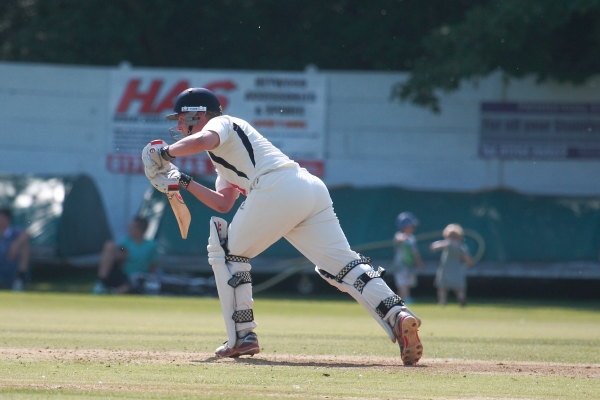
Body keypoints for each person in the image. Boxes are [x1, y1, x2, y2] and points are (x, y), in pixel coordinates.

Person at [141, 87, 424, 365]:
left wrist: (165, 153)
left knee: (227, 253)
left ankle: (242, 336)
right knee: (342, 264)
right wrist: (183, 180)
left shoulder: (221, 123)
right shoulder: (222, 160)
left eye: (180, 118)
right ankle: (397, 313)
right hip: (307, 189)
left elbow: (203, 139)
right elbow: (222, 204)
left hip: (277, 187)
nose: (178, 125)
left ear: (197, 115)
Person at [93, 216, 158, 294]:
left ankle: (113, 293)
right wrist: (122, 251)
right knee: (109, 245)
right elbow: (121, 249)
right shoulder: (126, 242)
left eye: (132, 227)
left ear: (140, 229)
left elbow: (153, 266)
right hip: (124, 275)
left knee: (135, 281)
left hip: (139, 276)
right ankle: (101, 282)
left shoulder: (150, 245)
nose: (129, 229)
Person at [430, 223, 474, 307]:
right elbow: (467, 259)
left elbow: (436, 246)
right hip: (457, 270)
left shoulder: (448, 243)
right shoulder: (461, 246)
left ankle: (442, 302)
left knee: (442, 288)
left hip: (445, 269)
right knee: (459, 288)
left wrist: (434, 247)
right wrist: (469, 264)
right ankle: (462, 300)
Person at [391, 212, 424, 304]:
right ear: (404, 226)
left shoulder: (412, 238)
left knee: (407, 283)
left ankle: (400, 300)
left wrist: (419, 263)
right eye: (410, 226)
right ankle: (406, 299)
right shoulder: (398, 235)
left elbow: (415, 253)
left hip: (409, 265)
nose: (412, 229)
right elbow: (399, 239)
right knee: (402, 284)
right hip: (400, 265)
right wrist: (404, 238)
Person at [0, 208, 30, 291]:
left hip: (11, 269)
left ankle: (20, 279)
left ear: (7, 219)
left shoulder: (14, 232)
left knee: (24, 246)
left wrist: (15, 245)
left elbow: (26, 234)